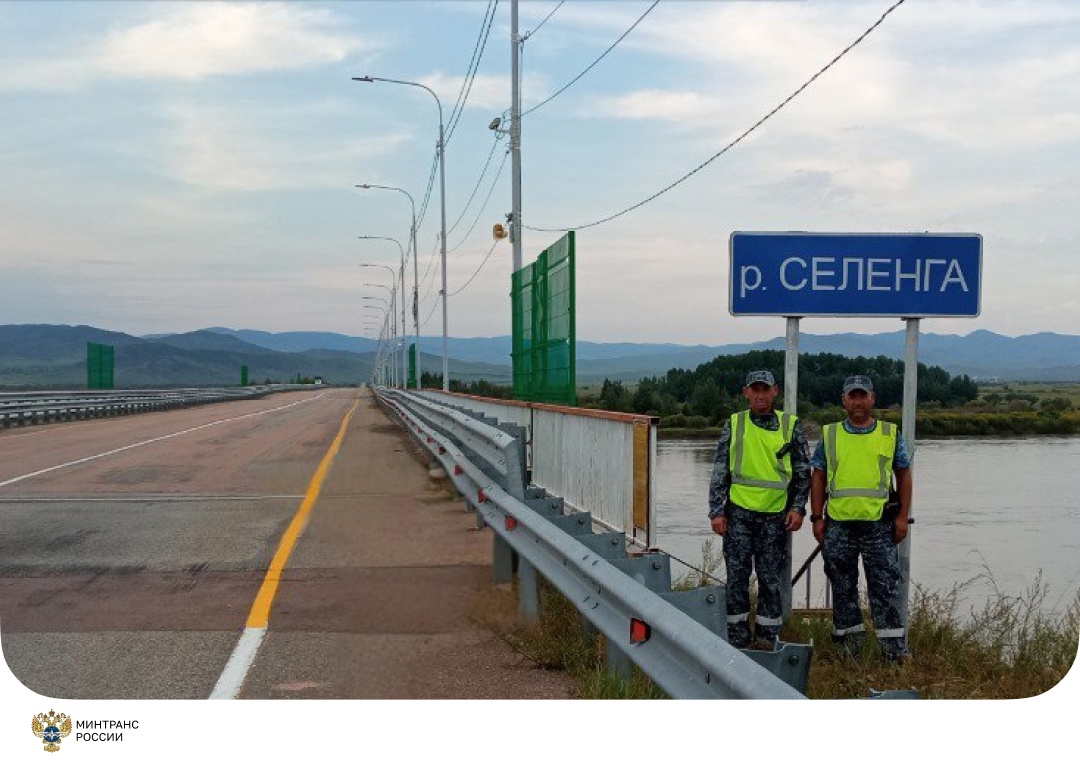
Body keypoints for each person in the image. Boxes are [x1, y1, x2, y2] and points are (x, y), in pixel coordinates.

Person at [809, 374, 913, 663]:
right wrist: (817, 518)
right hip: (839, 527)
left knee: (885, 590)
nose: (857, 401)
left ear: (872, 398)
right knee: (843, 590)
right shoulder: (829, 435)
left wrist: (902, 517)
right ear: (844, 400)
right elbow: (817, 477)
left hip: (879, 527)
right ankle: (848, 652)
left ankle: (893, 655)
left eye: (862, 395)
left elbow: (903, 474)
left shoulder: (890, 433)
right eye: (852, 396)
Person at [708, 370, 810, 648]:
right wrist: (717, 511)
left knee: (770, 579)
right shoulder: (735, 423)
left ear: (774, 391)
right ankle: (737, 638)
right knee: (737, 578)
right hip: (738, 514)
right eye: (755, 389)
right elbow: (720, 470)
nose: (760, 395)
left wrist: (798, 508)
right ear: (746, 393)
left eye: (765, 389)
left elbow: (803, 471)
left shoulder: (790, 425)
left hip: (775, 517)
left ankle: (767, 638)